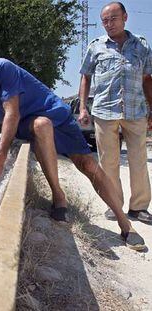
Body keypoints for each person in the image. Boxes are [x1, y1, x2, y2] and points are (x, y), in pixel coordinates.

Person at [0, 49, 146, 250]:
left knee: (89, 164)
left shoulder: (0, 68)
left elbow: (12, 113)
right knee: (41, 125)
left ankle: (124, 223)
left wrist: (0, 155)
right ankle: (58, 197)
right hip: (31, 126)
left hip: (58, 116)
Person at [79, 2, 152, 224]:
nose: (109, 24)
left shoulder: (142, 46)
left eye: (113, 19)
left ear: (125, 17)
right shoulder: (95, 46)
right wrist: (83, 107)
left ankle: (139, 207)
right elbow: (85, 76)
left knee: (138, 159)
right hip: (104, 111)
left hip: (136, 110)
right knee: (108, 162)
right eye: (105, 21)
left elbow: (148, 78)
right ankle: (114, 205)